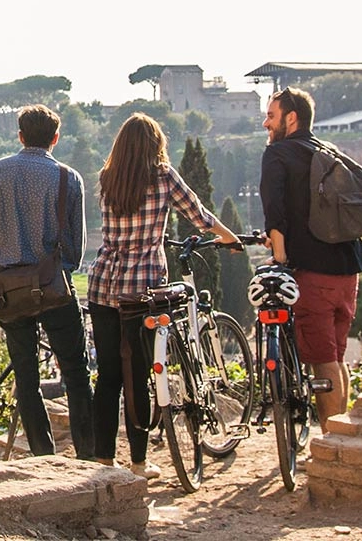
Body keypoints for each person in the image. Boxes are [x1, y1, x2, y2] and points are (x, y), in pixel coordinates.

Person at [86, 113, 241, 478]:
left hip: (103, 284)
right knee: (137, 374)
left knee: (108, 375)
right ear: (155, 145)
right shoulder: (163, 176)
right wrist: (230, 238)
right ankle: (138, 464)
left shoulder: (107, 178)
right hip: (142, 291)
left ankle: (104, 459)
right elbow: (199, 216)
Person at [0, 104, 94, 460]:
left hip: (9, 291)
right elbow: (75, 249)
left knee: (26, 379)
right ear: (55, 138)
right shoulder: (70, 178)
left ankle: (42, 456)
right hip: (54, 288)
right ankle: (88, 455)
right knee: (77, 374)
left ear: (19, 136)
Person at [260, 86, 362, 432]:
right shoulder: (327, 150)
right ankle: (340, 438)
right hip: (348, 268)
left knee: (322, 363)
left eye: (271, 115)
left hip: (314, 272)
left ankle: (329, 446)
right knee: (336, 358)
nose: (265, 123)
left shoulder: (278, 154)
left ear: (291, 118)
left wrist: (278, 258)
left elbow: (274, 212)